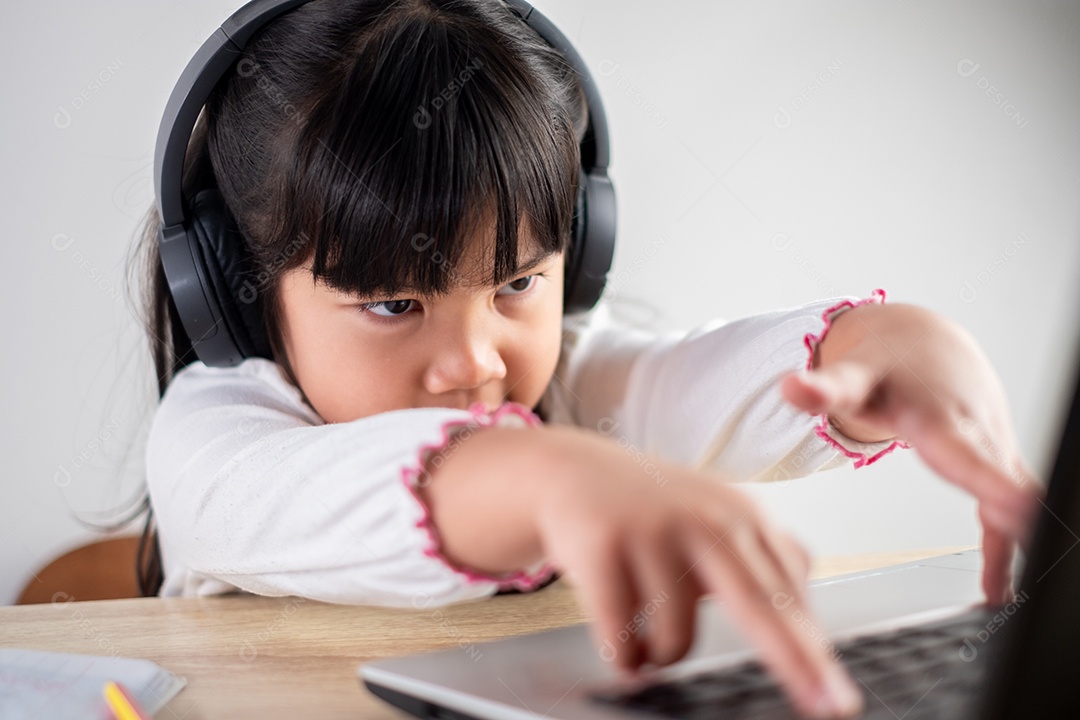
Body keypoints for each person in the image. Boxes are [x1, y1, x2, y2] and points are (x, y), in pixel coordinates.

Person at [129, 1, 1041, 717]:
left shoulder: (573, 381)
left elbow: (712, 385)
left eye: (517, 283)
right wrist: (550, 476)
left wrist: (896, 350)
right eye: (394, 304)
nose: (475, 361)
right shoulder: (209, 446)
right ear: (230, 290)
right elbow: (325, 495)